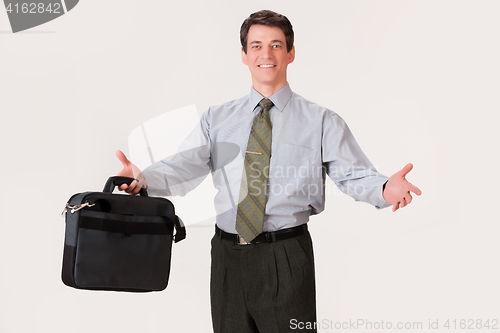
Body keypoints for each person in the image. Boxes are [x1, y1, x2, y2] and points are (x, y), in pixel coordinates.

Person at [115, 10, 421, 333]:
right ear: (244, 55)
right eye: (257, 45)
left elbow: (353, 173)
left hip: (286, 256)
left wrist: (385, 188)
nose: (266, 54)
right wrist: (143, 178)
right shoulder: (217, 118)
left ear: (290, 53)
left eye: (276, 45)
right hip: (226, 258)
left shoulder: (320, 121)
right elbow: (186, 165)